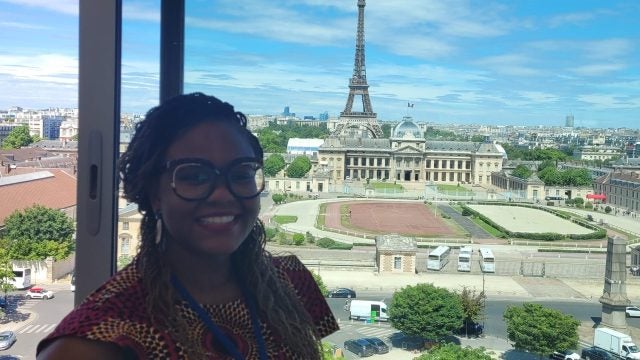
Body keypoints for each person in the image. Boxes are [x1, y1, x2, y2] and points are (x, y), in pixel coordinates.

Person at [37, 93, 339, 359]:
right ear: (154, 192)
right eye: (194, 176)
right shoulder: (97, 338)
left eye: (242, 173)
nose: (223, 194)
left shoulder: (295, 282)